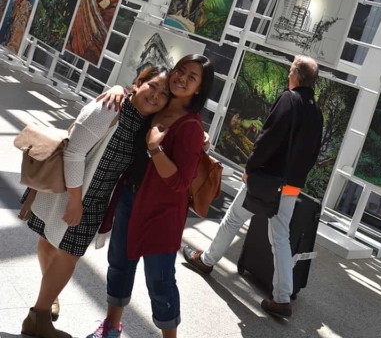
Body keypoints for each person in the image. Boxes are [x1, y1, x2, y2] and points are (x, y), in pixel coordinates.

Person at [20, 66, 171, 338]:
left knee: (62, 250)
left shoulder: (145, 122)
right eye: (153, 86)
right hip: (72, 190)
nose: (156, 95)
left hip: (95, 197)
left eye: (164, 93)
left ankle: (45, 298)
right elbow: (75, 152)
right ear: (138, 83)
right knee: (54, 245)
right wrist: (75, 202)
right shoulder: (111, 107)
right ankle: (38, 318)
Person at [183, 55, 323, 319]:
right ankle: (282, 299)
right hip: (291, 186)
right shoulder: (316, 112)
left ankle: (207, 261)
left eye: (291, 71)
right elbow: (313, 153)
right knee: (281, 238)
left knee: (233, 218)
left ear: (295, 75)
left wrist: (250, 167)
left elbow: (268, 137)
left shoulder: (289, 99)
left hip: (267, 179)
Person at [87, 54, 214, 338]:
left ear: (199, 90)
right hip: (131, 198)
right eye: (180, 71)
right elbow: (140, 94)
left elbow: (180, 183)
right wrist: (120, 89)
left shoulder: (191, 127)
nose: (181, 78)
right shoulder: (162, 106)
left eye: (191, 77)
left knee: (160, 279)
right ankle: (111, 327)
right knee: (119, 264)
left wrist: (155, 149)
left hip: (163, 213)